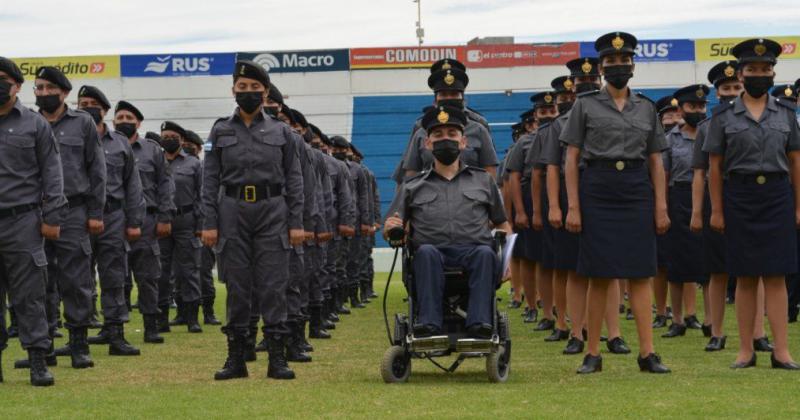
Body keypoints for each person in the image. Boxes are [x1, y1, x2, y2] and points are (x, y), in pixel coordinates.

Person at [561, 32, 671, 374]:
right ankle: (593, 352)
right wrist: (574, 206)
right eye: (611, 62)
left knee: (640, 274)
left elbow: (655, 161)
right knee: (599, 275)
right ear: (602, 67)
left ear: (633, 66)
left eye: (624, 62)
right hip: (598, 188)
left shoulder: (647, 108)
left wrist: (661, 206)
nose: (618, 67)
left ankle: (647, 354)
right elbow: (571, 158)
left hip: (637, 189)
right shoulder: (585, 105)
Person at [202, 60, 304, 380]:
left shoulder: (281, 132)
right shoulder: (220, 130)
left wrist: (296, 222)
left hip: (272, 211)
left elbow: (295, 179)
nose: (247, 92)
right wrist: (209, 222)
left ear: (265, 92)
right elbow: (209, 181)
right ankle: (237, 359)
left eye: (254, 88)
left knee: (273, 285)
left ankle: (277, 358)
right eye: (242, 87)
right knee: (237, 286)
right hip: (231, 211)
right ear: (233, 90)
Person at [703, 38, 800, 370]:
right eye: (752, 69)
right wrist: (716, 210)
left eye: (765, 69)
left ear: (773, 72)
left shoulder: (787, 114)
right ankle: (745, 350)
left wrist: (798, 207)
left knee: (776, 276)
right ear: (741, 74)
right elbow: (715, 167)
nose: (759, 74)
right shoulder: (723, 116)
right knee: (744, 277)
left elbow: (796, 163)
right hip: (740, 197)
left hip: (776, 196)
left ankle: (782, 351)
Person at [384, 105, 511, 338]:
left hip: (473, 251)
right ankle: (428, 323)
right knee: (427, 253)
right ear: (427, 143)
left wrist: (508, 259)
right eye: (438, 135)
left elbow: (502, 223)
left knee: (485, 253)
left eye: (452, 135)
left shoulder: (484, 181)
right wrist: (392, 229)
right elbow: (391, 225)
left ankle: (480, 324)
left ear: (463, 142)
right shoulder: (412, 186)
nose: (446, 140)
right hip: (432, 253)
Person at [27, 67, 105, 371]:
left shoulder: (82, 123)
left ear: (64, 92)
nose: (44, 93)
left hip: (74, 211)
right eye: (39, 88)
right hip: (33, 213)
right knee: (37, 281)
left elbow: (97, 170)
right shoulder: (28, 123)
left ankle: (78, 344)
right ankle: (42, 346)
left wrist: (96, 213)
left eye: (50, 88)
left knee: (76, 280)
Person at [0, 57, 66, 386]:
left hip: (22, 220)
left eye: (2, 79)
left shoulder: (34, 124)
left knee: (30, 294)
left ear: (16, 86)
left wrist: (52, 216)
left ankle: (38, 360)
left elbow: (53, 174)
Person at [114, 101, 175, 344]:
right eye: (120, 117)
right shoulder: (105, 146)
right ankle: (114, 328)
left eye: (129, 117)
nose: (124, 121)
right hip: (115, 218)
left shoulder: (153, 150)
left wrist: (165, 217)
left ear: (138, 123)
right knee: (116, 276)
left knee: (148, 276)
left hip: (148, 220)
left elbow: (165, 185)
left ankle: (151, 325)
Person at [661, 84, 711, 338]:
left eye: (702, 106)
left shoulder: (712, 133)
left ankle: (705, 319)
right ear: (681, 109)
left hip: (709, 198)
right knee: (676, 264)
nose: (698, 111)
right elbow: (664, 175)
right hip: (679, 198)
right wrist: (663, 209)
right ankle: (678, 319)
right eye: (692, 106)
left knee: (708, 262)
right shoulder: (670, 139)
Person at [402, 61, 498, 179]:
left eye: (454, 94)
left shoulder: (479, 125)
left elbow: (490, 169)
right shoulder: (421, 127)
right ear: (435, 100)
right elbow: (410, 171)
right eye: (443, 94)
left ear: (463, 98)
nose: (449, 98)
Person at [158, 121, 204, 333]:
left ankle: (191, 317)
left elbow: (202, 196)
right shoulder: (156, 161)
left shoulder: (194, 164)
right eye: (165, 135)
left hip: (187, 221)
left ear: (182, 140)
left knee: (189, 270)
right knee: (161, 271)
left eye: (172, 136)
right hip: (161, 223)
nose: (168, 139)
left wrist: (201, 224)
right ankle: (163, 317)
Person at [652, 95, 679, 329]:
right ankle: (661, 310)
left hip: (682, 202)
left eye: (676, 114)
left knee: (684, 260)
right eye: (668, 115)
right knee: (659, 263)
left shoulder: (694, 136)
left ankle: (684, 313)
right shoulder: (654, 140)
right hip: (659, 202)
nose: (673, 118)